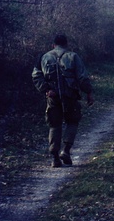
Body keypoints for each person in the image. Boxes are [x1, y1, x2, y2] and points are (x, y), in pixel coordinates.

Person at [32, 34, 94, 167]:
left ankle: (55, 158)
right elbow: (82, 78)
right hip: (70, 96)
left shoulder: (44, 57)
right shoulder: (73, 56)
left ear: (53, 45)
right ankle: (65, 150)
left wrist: (46, 90)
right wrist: (89, 92)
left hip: (52, 98)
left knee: (54, 125)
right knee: (72, 121)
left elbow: (36, 75)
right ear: (66, 44)